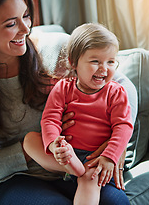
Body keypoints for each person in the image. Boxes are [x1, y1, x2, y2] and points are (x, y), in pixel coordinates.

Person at [0, 0, 136, 205]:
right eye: (11, 23)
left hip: (79, 163)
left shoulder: (55, 51)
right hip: (17, 179)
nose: (25, 29)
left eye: (26, 16)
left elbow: (125, 87)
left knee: (116, 203)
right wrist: (31, 148)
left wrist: (114, 148)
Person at [24, 23, 134, 205]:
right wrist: (54, 146)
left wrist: (109, 156)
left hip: (96, 159)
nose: (104, 69)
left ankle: (79, 171)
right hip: (67, 155)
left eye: (111, 62)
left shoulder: (115, 92)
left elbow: (123, 126)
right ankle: (72, 167)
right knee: (29, 140)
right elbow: (50, 119)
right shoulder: (63, 88)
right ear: (73, 62)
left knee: (89, 180)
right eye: (95, 61)